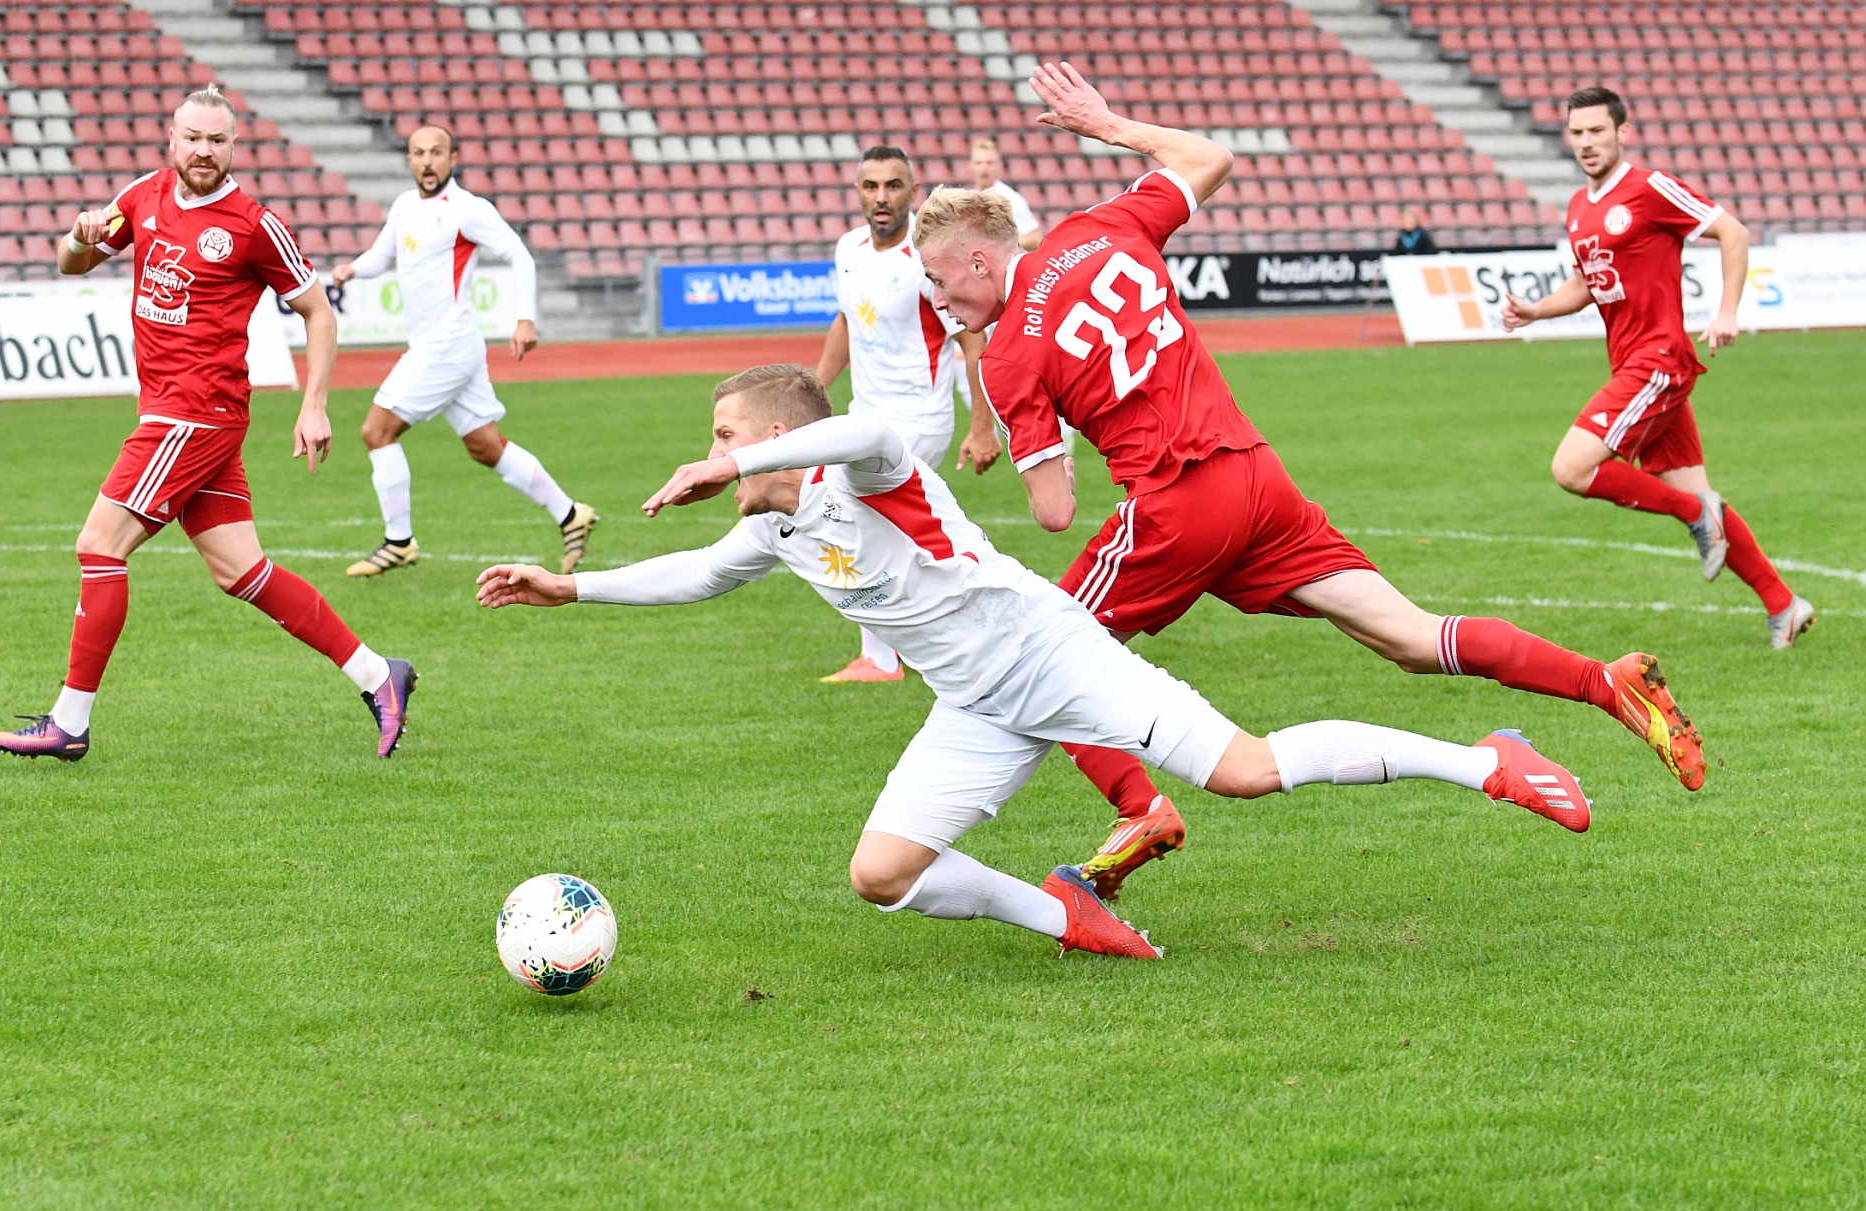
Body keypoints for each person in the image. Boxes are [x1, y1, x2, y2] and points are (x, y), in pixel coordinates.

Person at [475, 365, 1593, 959]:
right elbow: (700, 575)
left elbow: (862, 433)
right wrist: (569, 586)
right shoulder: (770, 526)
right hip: (976, 702)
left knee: (1246, 769)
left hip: (1049, 653)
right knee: (882, 875)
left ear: (774, 433)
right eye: (720, 442)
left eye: (728, 433)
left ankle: (1482, 756)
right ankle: (1071, 914)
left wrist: (743, 460)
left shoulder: (868, 473)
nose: (716, 450)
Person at [913, 62, 1706, 899]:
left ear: (976, 257)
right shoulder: (1095, 229)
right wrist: (1111, 126)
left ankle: (1138, 808)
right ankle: (1603, 682)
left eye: (938, 277)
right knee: (1409, 636)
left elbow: (1053, 510)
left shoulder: (1002, 357)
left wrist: (1045, 425)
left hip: (1176, 504)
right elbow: (1211, 158)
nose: (937, 296)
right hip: (1256, 481)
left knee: (1052, 651)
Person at [0, 85, 415, 762]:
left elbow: (319, 312)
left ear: (232, 146)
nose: (204, 151)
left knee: (99, 545)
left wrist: (314, 401)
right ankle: (376, 673)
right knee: (242, 571)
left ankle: (69, 723)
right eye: (193, 138)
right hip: (176, 412)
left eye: (217, 140)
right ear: (173, 139)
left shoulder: (252, 224)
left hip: (193, 415)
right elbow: (73, 262)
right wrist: (79, 233)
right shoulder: (143, 196)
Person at [1501, 86, 1813, 649]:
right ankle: (1783, 605)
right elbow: (1586, 283)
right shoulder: (1578, 207)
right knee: (1701, 492)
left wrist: (1725, 313)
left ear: (1623, 131)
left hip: (1659, 361)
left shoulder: (1648, 188)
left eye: (1598, 130)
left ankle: (1696, 513)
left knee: (1571, 468)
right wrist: (1536, 310)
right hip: (1635, 365)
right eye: (1577, 132)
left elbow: (1732, 232)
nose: (1587, 142)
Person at [332, 123, 597, 579]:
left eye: (437, 152)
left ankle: (399, 541)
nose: (428, 160)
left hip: (447, 344)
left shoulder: (466, 210)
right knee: (484, 445)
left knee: (377, 431)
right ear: (410, 160)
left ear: (453, 159)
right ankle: (572, 515)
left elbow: (519, 254)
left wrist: (525, 317)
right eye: (419, 152)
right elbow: (382, 254)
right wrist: (351, 270)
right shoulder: (403, 206)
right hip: (445, 347)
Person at [813, 144, 998, 683]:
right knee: (895, 526)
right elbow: (846, 324)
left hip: (920, 417)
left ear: (914, 193)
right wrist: (810, 395)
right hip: (864, 415)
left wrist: (981, 426)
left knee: (857, 516)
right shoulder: (848, 249)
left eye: (893, 186)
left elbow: (971, 338)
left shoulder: (927, 257)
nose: (881, 197)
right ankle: (970, 614)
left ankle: (882, 657)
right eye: (871, 186)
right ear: (857, 193)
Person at [969, 136, 1044, 251]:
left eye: (989, 163)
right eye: (979, 163)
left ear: (999, 166)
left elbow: (1034, 238)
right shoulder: (967, 199)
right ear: (971, 166)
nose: (984, 168)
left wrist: (998, 246)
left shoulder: (1011, 199)